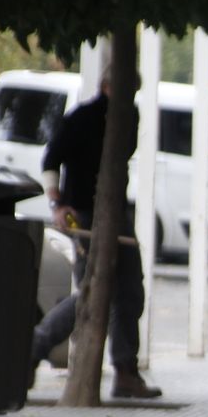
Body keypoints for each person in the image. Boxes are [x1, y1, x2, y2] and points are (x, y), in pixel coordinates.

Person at [30, 74, 161, 399]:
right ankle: (36, 344)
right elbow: (51, 159)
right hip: (84, 213)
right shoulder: (84, 117)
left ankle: (125, 372)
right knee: (92, 288)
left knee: (128, 290)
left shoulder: (129, 115)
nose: (130, 95)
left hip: (115, 212)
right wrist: (57, 203)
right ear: (107, 85)